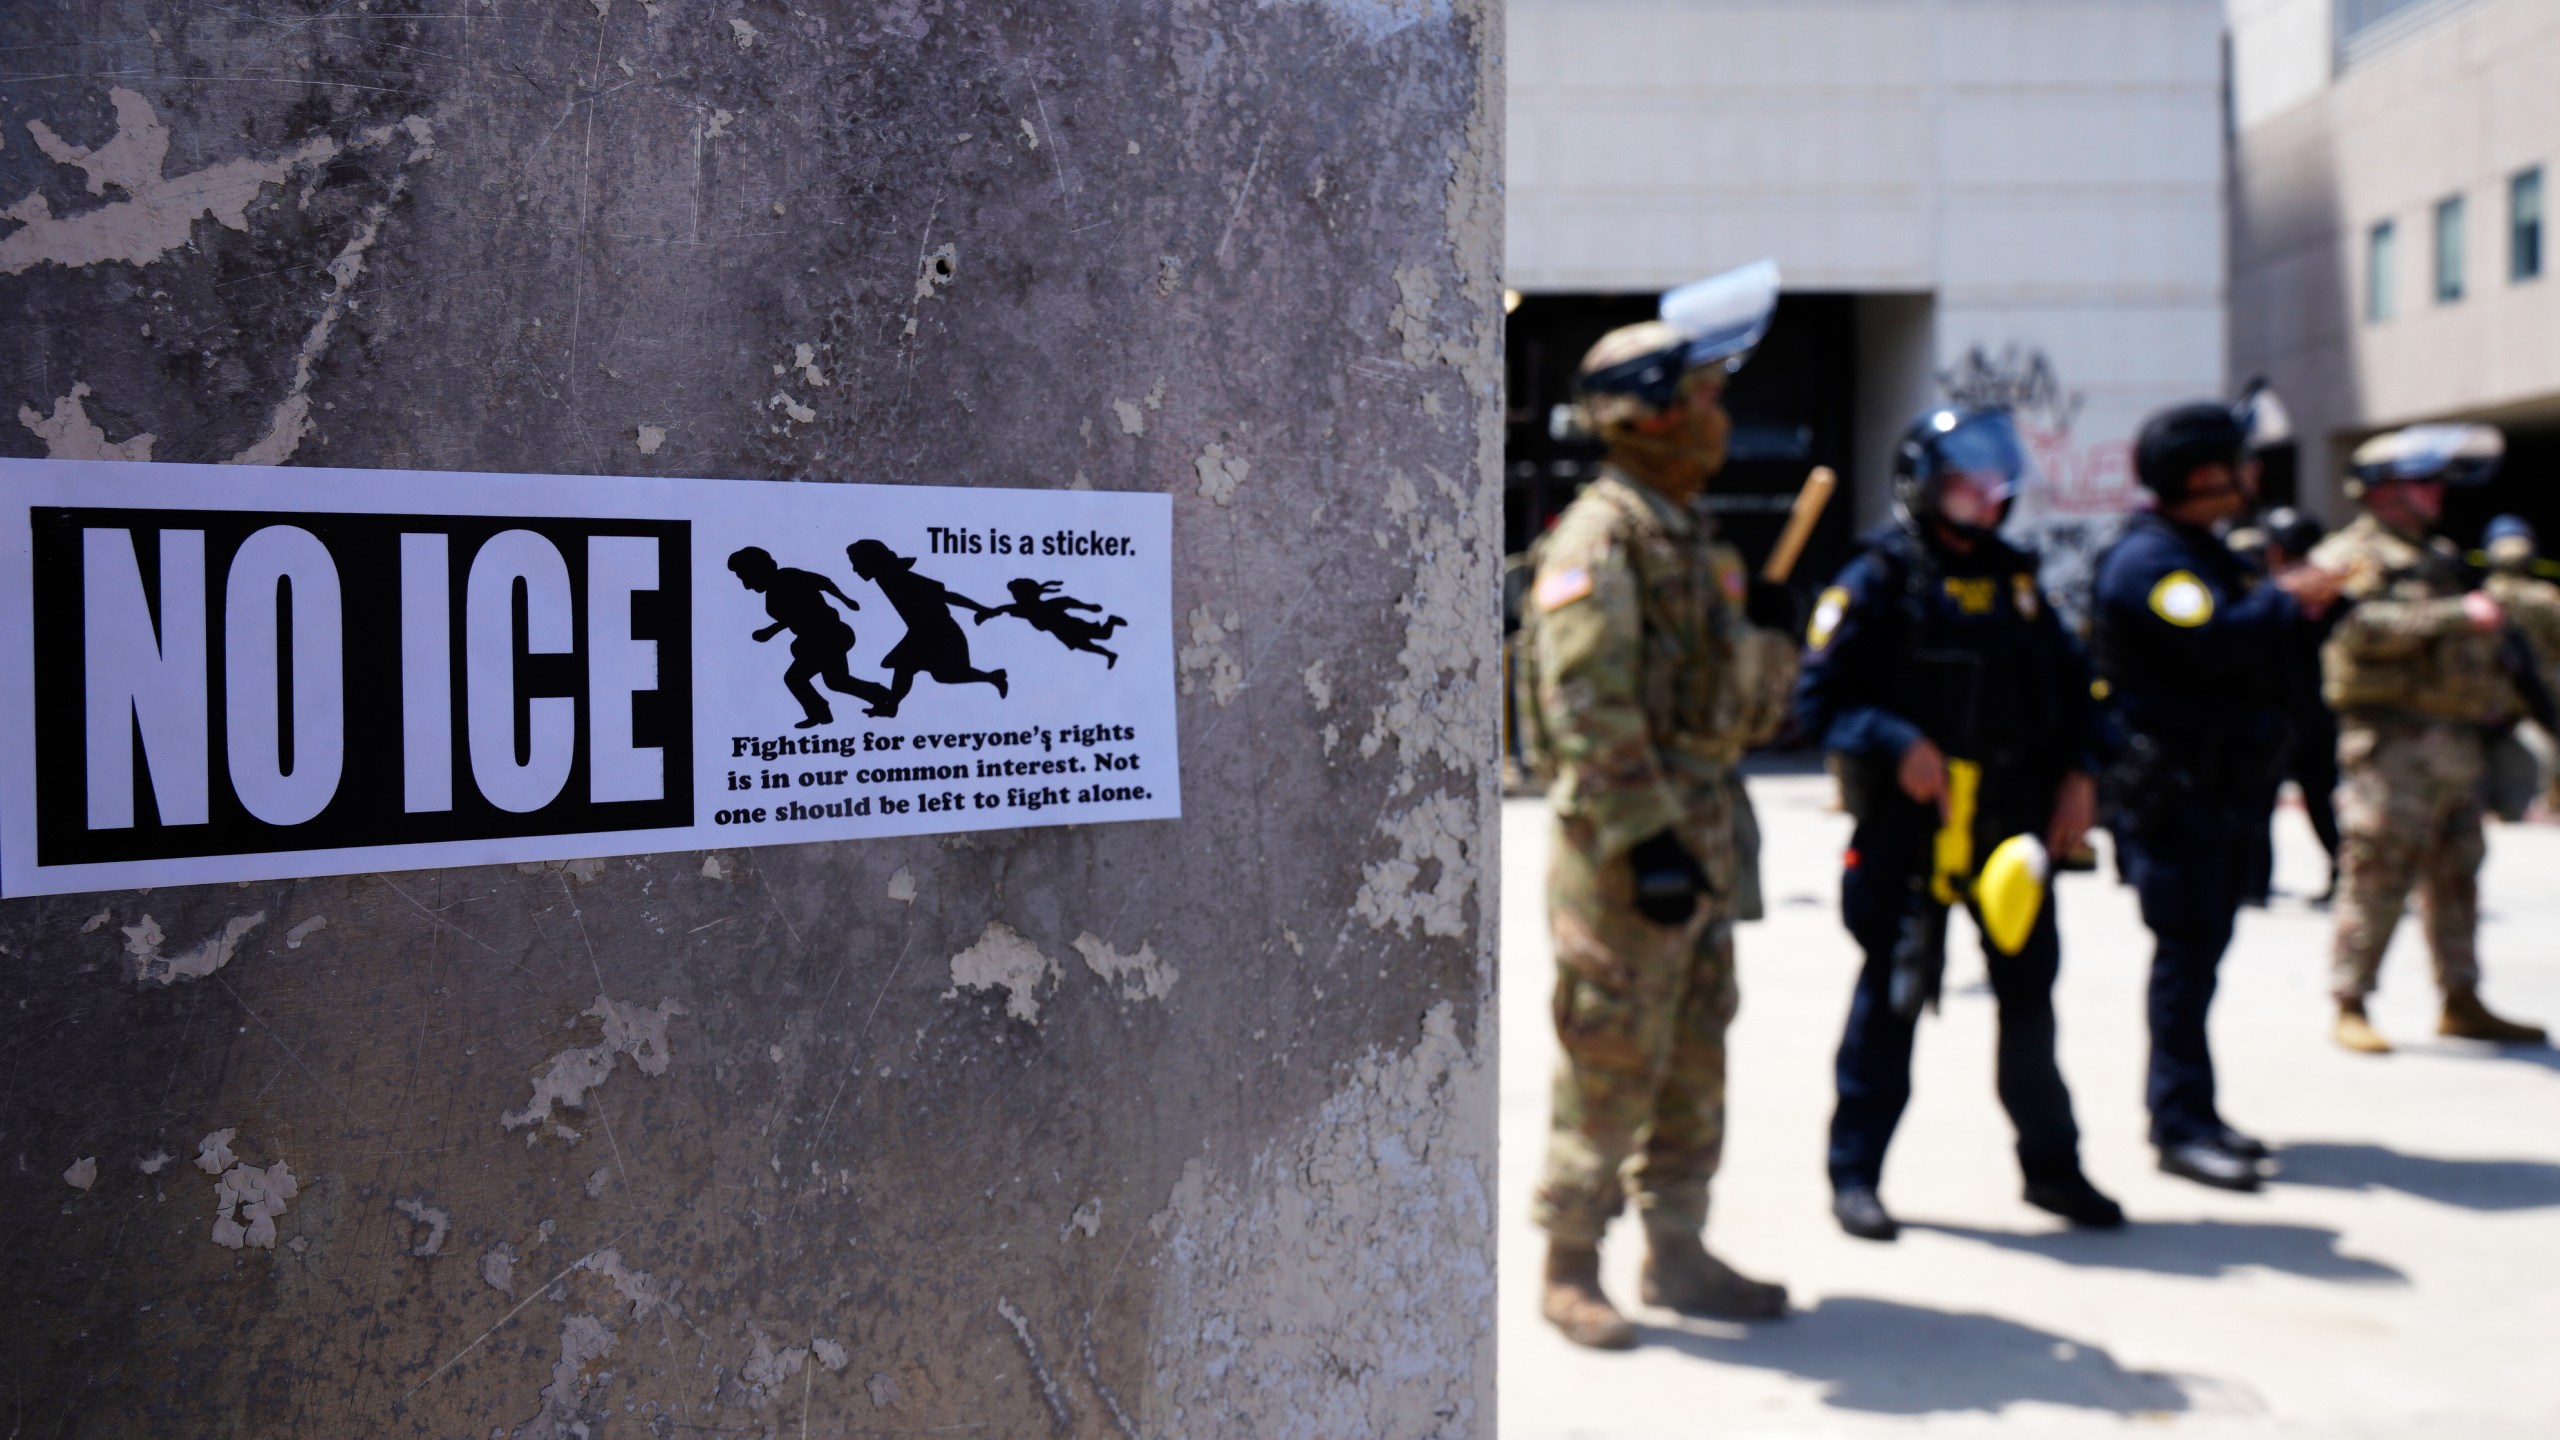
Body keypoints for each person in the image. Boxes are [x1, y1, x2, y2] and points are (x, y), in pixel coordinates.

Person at [1518, 267, 1799, 1348]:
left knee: (1692, 1055)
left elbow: (1736, 713)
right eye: (1706, 396)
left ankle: (1677, 1251)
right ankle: (1569, 1261)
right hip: (1629, 856)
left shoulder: (1686, 530)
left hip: (1703, 836)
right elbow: (1585, 711)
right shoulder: (1605, 537)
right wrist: (1647, 843)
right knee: (1611, 1056)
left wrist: (1767, 635)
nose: (1722, 417)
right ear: (1650, 414)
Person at [1795, 405, 2122, 1241]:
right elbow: (1818, 700)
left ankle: (2053, 1171)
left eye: (1993, 484)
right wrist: (1895, 740)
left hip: (2010, 835)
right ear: (1922, 486)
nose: (1985, 497)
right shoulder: (1878, 576)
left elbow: (2080, 695)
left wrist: (2083, 775)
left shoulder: (2018, 583)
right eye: (1964, 484)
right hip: (1909, 833)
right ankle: (1855, 1177)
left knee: (2030, 1006)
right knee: (1889, 1007)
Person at [2091, 403, 2342, 1192]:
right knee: (2185, 961)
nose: (2253, 474)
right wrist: (2286, 597)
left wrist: (2308, 606)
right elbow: (2215, 640)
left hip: (2225, 792)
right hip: (2178, 798)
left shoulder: (2208, 553)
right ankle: (2179, 1123)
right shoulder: (2152, 562)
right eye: (2240, 461)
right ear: (2204, 475)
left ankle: (2194, 1108)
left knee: (2201, 960)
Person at [2310, 427, 2548, 1053]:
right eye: (2423, 482)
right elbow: (2352, 627)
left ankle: (2460, 998)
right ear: (2381, 490)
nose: (2436, 494)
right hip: (2390, 743)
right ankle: (2350, 999)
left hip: (2456, 740)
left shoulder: (2440, 555)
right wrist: (2455, 615)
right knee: (2377, 869)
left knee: (2458, 873)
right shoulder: (2350, 554)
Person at [2264, 507, 2343, 903]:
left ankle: (2252, 883)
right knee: (2320, 796)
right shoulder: (2334, 591)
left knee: (2261, 799)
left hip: (2281, 711)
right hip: (2318, 711)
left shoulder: (2274, 593)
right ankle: (2344, 872)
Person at [726, 546, 893, 727]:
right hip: (819, 639)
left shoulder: (787, 577)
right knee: (836, 681)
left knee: (795, 678)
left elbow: (820, 585)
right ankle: (881, 696)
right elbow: (794, 615)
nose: (747, 585)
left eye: (746, 576)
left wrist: (845, 600)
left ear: (760, 569)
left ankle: (821, 713)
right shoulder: (774, 591)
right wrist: (770, 631)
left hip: (827, 636)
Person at [844, 539, 1007, 716]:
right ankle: (992, 677)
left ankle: (992, 677)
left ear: (873, 560)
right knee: (918, 669)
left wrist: (980, 608)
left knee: (922, 669)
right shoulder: (886, 578)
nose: (854, 569)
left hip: (940, 631)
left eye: (857, 563)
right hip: (924, 631)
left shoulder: (901, 578)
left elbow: (946, 596)